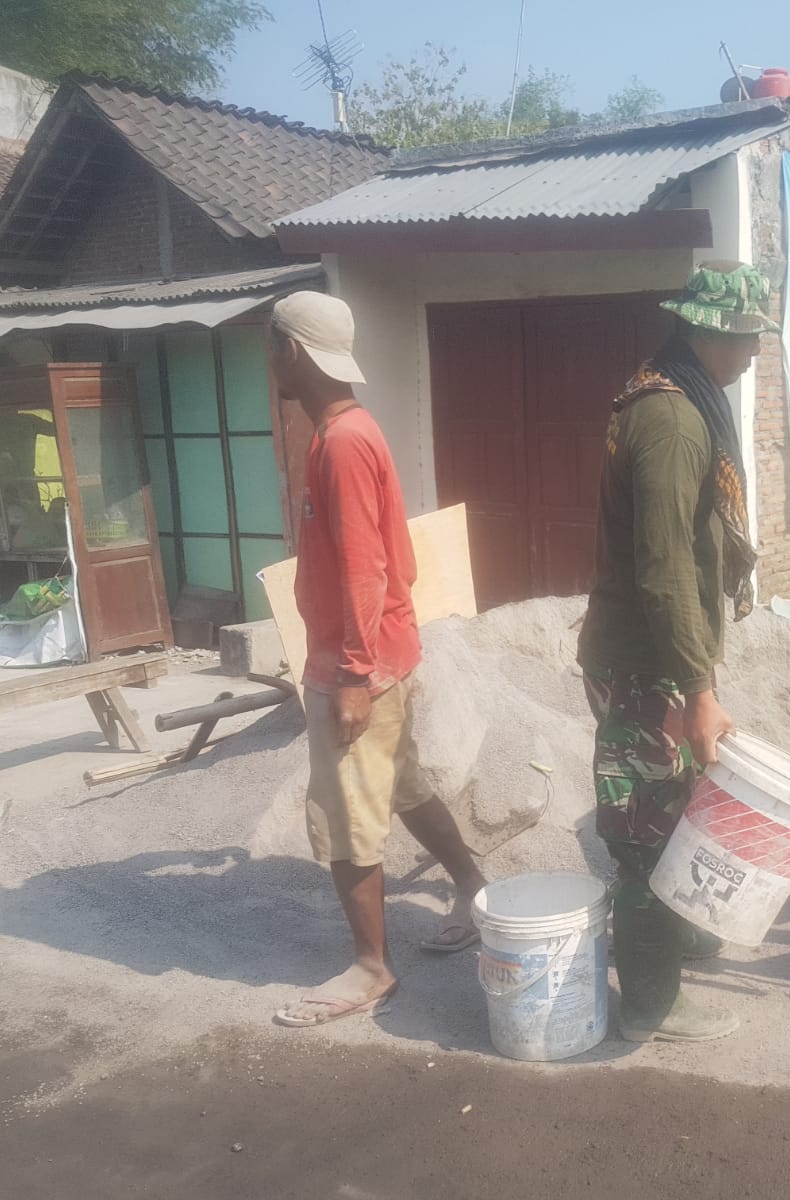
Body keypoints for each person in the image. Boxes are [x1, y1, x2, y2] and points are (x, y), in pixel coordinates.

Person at [267, 291, 488, 1028]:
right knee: (403, 785)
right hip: (381, 649)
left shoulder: (342, 444)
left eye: (274, 347)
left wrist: (356, 675)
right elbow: (390, 565)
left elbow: (367, 567)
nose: (272, 361)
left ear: (292, 352)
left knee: (345, 816)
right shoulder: (347, 433)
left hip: (359, 662)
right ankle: (472, 885)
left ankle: (371, 968)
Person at [577, 262, 775, 1043]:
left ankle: (680, 938)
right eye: (746, 335)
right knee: (643, 834)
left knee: (679, 806)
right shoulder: (671, 422)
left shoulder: (686, 397)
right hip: (641, 665)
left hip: (660, 654)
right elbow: (662, 571)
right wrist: (696, 688)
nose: (756, 349)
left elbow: (683, 564)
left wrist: (700, 678)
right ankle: (649, 1004)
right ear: (707, 333)